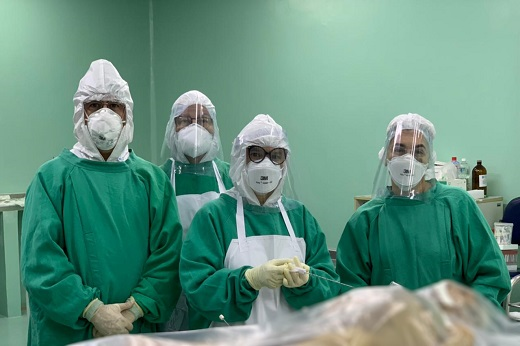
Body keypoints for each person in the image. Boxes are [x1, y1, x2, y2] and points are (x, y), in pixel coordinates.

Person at [20, 59, 183, 346]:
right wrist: (92, 311)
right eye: (94, 106)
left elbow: (167, 256)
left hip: (135, 329)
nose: (104, 114)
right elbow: (40, 260)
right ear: (79, 113)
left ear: (127, 113)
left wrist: (131, 312)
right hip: (69, 331)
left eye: (114, 105)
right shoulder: (52, 178)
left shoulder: (151, 181)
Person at [180, 114, 339, 329]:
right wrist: (249, 279)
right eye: (255, 154)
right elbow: (197, 289)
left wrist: (308, 282)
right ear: (239, 158)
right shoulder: (214, 216)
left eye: (276, 155)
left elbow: (330, 285)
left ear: (285, 162)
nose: (266, 163)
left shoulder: (299, 216)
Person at [335, 113, 511, 308]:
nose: (408, 159)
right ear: (385, 156)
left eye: (418, 152)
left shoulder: (457, 205)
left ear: (429, 159)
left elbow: (491, 274)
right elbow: (351, 292)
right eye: (399, 150)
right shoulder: (366, 220)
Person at [160, 90, 233, 331]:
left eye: (203, 121)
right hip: (171, 289)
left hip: (218, 288)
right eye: (185, 121)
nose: (195, 128)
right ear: (173, 128)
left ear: (214, 128)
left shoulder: (230, 177)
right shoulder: (157, 179)